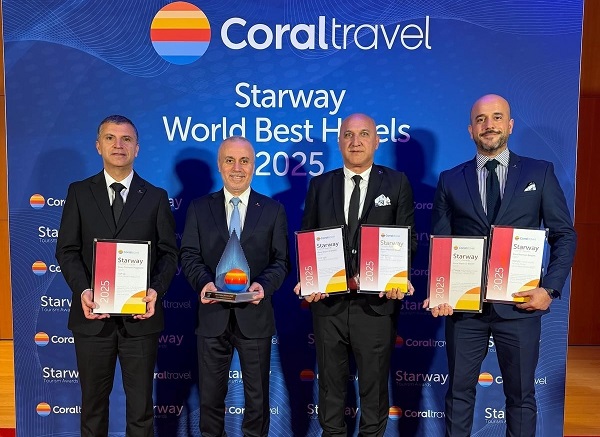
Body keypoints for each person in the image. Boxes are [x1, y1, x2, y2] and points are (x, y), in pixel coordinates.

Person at [426, 94, 577, 436]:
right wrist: (440, 293)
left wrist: (550, 289)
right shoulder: (451, 179)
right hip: (465, 308)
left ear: (510, 125)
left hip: (521, 304)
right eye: (480, 119)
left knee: (521, 396)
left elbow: (564, 235)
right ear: (470, 130)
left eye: (496, 117)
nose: (489, 125)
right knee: (459, 394)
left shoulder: (540, 172)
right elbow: (441, 243)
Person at [294, 113, 417, 436]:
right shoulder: (320, 185)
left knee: (374, 394)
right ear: (339, 141)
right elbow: (308, 238)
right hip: (328, 305)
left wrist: (397, 276)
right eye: (348, 135)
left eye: (364, 134)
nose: (356, 141)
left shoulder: (397, 183)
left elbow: (408, 240)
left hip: (376, 306)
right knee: (330, 391)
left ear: (376, 141)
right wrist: (309, 278)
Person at [55, 115, 179, 436]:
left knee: (140, 411)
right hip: (92, 319)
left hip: (141, 320)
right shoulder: (79, 192)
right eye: (110, 138)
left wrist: (155, 290)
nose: (118, 145)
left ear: (137, 148)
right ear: (98, 146)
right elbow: (66, 250)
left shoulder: (155, 196)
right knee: (93, 409)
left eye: (126, 139)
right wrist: (83, 290)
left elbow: (169, 254)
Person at [180, 136, 289, 437]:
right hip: (212, 316)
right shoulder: (199, 208)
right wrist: (204, 283)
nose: (237, 168)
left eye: (244, 161)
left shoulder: (273, 210)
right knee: (210, 400)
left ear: (254, 166)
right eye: (230, 160)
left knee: (257, 401)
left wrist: (262, 286)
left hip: (255, 316)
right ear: (219, 165)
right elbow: (188, 255)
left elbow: (281, 261)